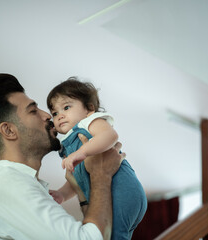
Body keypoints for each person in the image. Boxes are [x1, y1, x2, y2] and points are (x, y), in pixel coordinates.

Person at [0, 73, 125, 240]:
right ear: (9, 131)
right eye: (33, 110)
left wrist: (82, 195)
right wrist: (101, 175)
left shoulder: (24, 187)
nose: (48, 116)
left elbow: (91, 232)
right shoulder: (6, 185)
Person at [46, 77, 148, 240]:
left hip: (121, 189)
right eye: (55, 113)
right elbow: (77, 179)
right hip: (108, 198)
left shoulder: (89, 122)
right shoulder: (66, 147)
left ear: (89, 109)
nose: (59, 116)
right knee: (112, 235)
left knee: (113, 234)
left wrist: (83, 152)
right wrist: (62, 194)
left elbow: (110, 135)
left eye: (66, 107)